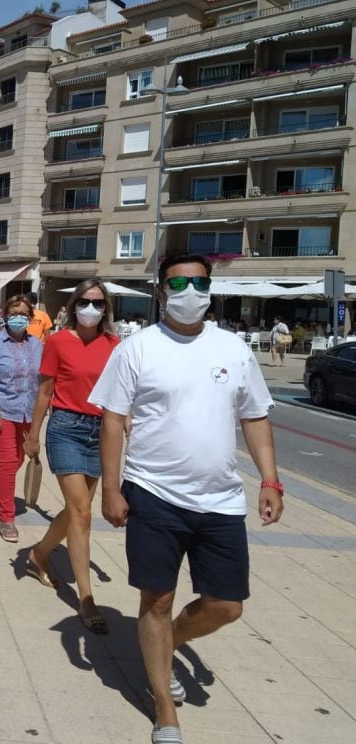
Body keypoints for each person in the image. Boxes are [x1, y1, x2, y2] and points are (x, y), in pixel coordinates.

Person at [91, 253, 283, 744]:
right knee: (156, 599)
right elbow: (113, 418)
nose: (190, 292)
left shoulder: (234, 348)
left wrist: (270, 479)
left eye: (199, 283)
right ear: (161, 291)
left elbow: (255, 417)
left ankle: (168, 641)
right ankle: (163, 709)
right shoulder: (138, 347)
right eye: (178, 283)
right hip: (152, 491)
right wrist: (111, 488)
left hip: (220, 500)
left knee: (227, 605)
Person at [24, 279, 120, 634]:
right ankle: (86, 598)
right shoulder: (59, 341)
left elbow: (121, 395)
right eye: (85, 301)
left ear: (106, 308)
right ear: (74, 305)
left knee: (75, 510)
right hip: (66, 427)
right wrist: (33, 435)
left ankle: (40, 554)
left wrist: (129, 429)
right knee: (82, 512)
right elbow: (45, 391)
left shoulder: (115, 345)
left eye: (98, 303)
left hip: (101, 432)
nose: (91, 308)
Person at [0, 295, 43, 542]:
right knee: (6, 462)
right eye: (14, 313)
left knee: (18, 460)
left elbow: (42, 380)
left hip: (27, 411)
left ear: (30, 318)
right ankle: (6, 517)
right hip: (1, 411)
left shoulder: (37, 345)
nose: (19, 318)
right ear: (4, 315)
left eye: (24, 314)